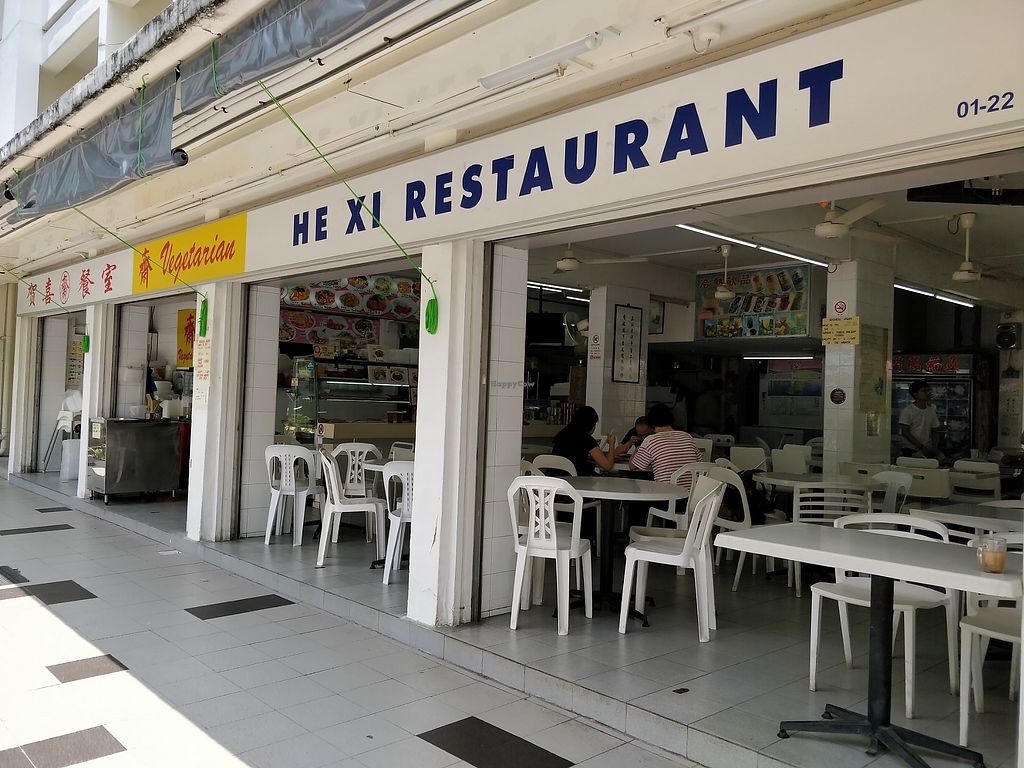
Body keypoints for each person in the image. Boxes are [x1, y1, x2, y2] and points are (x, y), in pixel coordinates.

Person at [629, 403, 701, 484]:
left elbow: (632, 467)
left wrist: (637, 449)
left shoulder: (651, 440)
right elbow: (700, 462)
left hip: (665, 490)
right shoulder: (687, 436)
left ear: (651, 422)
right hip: (691, 490)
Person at [551, 405, 617, 476]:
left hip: (554, 477)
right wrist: (611, 443)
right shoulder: (587, 439)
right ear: (592, 424)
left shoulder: (562, 434)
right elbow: (608, 466)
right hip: (575, 479)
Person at [899, 380, 940, 458]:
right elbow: (905, 432)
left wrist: (934, 448)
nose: (927, 393)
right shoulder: (908, 411)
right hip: (910, 449)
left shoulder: (931, 411)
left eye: (928, 390)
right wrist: (921, 447)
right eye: (924, 391)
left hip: (927, 449)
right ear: (916, 394)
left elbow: (935, 431)